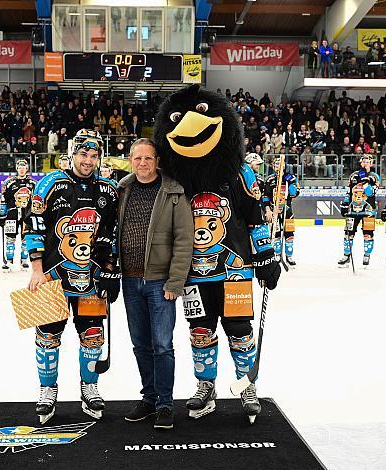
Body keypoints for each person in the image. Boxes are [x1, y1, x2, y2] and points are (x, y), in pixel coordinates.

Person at [152, 85, 281, 424]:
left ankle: (246, 386)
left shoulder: (239, 173)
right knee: (200, 330)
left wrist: (266, 256)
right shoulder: (176, 177)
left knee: (239, 329)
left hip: (235, 270)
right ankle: (205, 385)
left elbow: (256, 217)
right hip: (193, 273)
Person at [24, 129, 119, 424]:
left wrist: (110, 272)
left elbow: (112, 234)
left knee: (92, 335)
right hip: (51, 277)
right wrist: (37, 269)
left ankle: (89, 387)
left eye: (94, 155)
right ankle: (47, 390)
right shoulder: (50, 183)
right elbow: (34, 224)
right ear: (72, 154)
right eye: (83, 154)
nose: (88, 161)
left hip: (91, 280)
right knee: (47, 336)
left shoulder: (108, 189)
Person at [118, 138, 193, 430]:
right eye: (137, 159)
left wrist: (175, 281)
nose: (142, 164)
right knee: (140, 344)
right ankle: (148, 398)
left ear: (157, 160)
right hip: (130, 280)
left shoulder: (174, 192)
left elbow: (184, 241)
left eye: (148, 159)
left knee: (162, 345)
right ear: (130, 160)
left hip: (161, 283)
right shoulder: (123, 188)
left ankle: (164, 403)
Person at [338, 154, 380, 267]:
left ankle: (367, 255)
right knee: (348, 233)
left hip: (368, 209)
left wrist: (366, 183)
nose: (365, 163)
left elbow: (371, 193)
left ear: (371, 163)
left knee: (368, 234)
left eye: (368, 161)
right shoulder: (353, 175)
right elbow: (349, 191)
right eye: (363, 161)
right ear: (361, 163)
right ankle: (346, 255)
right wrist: (345, 204)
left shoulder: (375, 176)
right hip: (353, 209)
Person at [260, 155, 300, 266]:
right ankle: (277, 254)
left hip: (287, 211)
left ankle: (289, 256)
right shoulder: (269, 179)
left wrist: (291, 184)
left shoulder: (289, 177)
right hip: (275, 211)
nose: (277, 166)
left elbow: (295, 193)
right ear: (273, 166)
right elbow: (265, 196)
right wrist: (267, 209)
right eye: (276, 164)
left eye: (279, 164)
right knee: (276, 233)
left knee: (289, 233)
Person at [0, 159, 35, 271]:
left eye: (24, 167)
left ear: (27, 169)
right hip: (12, 213)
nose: (22, 169)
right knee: (10, 237)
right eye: (20, 167)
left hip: (27, 214)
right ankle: (9, 260)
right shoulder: (9, 182)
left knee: (25, 237)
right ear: (16, 168)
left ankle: (24, 260)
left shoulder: (33, 183)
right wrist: (1, 214)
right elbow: (4, 199)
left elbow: (37, 200)